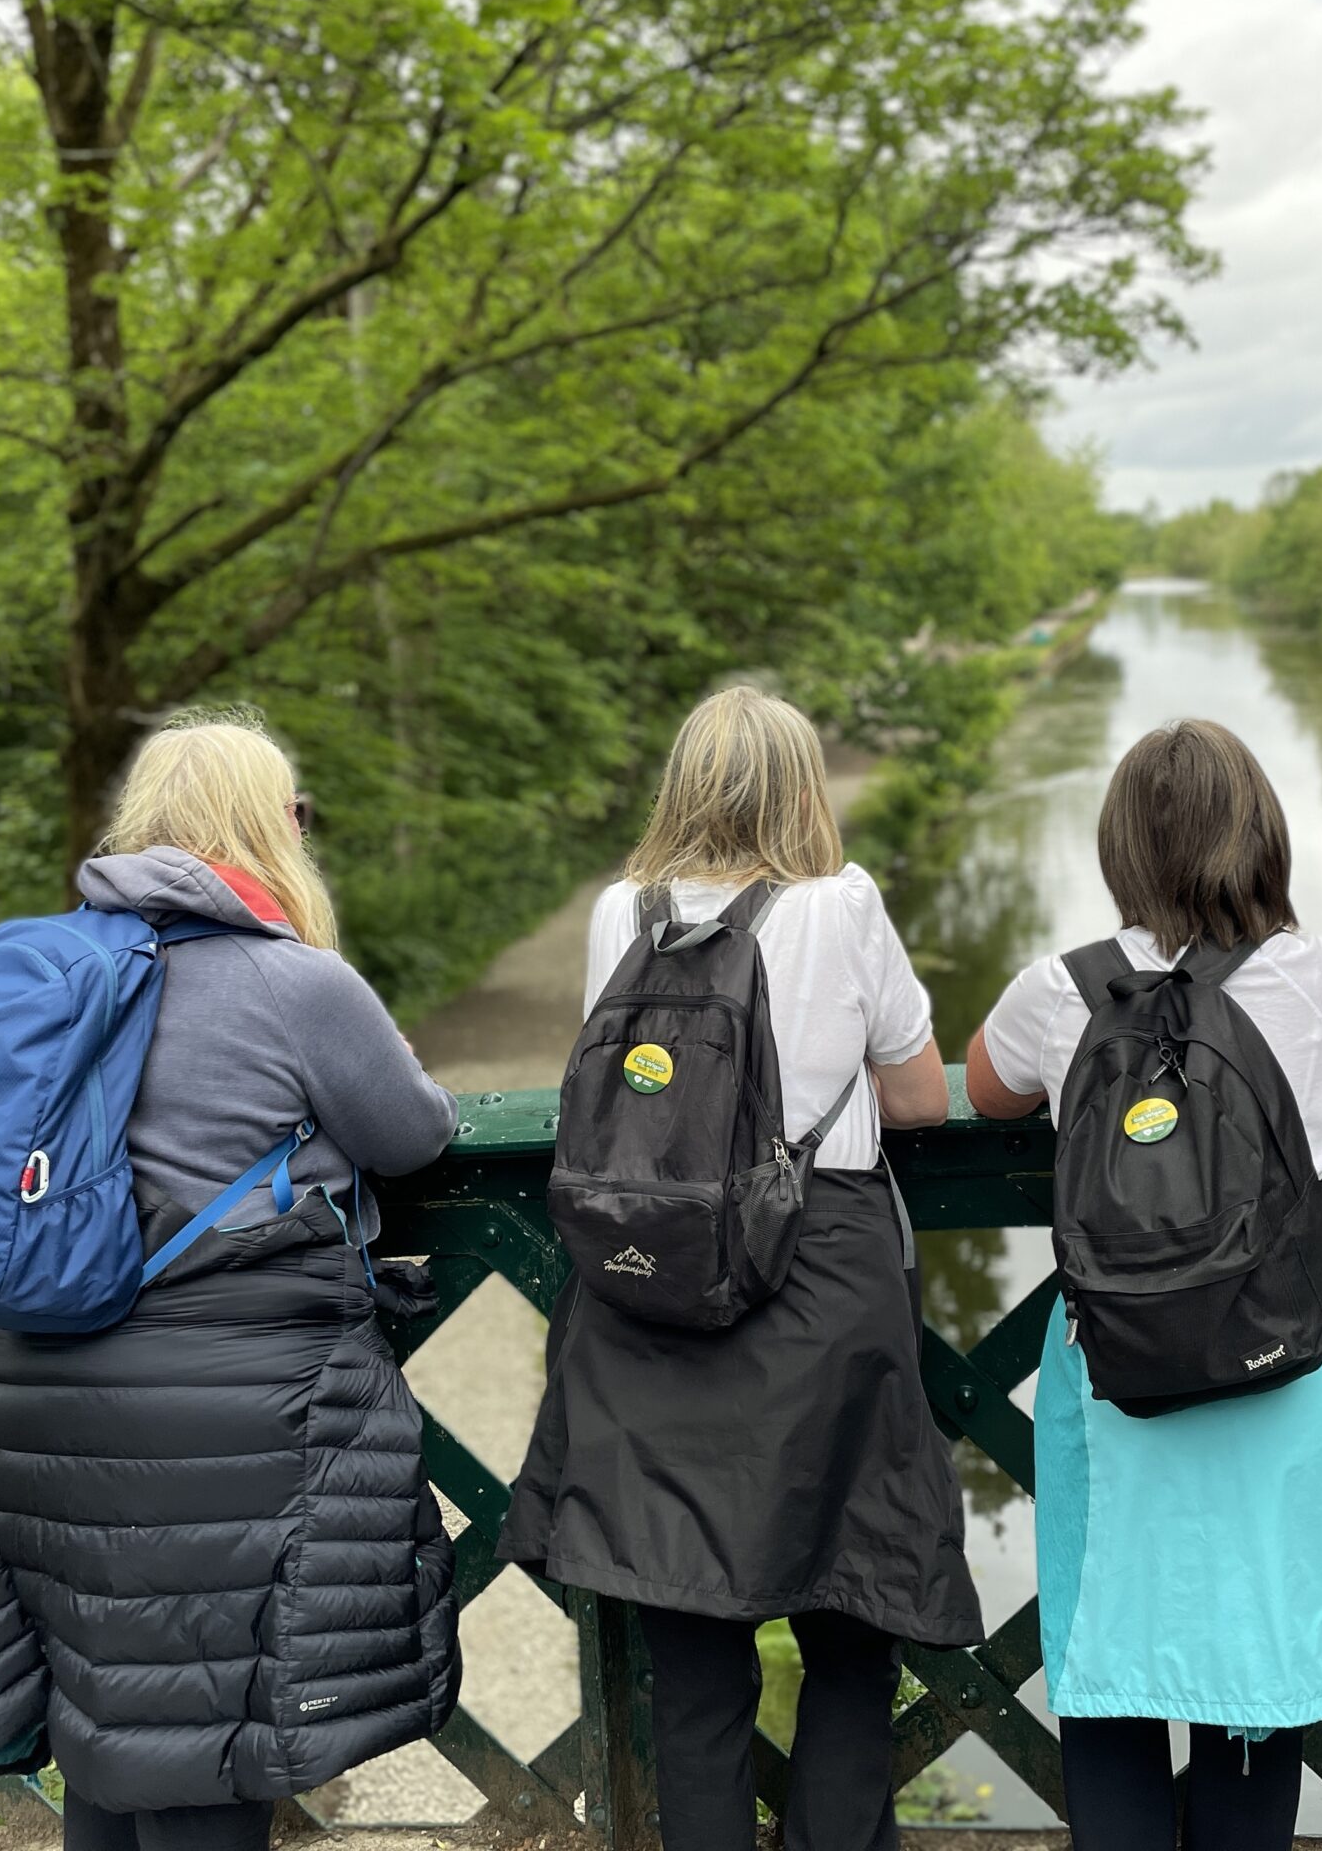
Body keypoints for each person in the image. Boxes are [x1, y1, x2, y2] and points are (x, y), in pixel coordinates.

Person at [0, 713, 464, 1851]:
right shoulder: (292, 983)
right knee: (207, 1757)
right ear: (271, 828)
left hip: (38, 1395)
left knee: (110, 1722)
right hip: (228, 1412)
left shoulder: (48, 970)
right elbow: (412, 1132)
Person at [500, 686, 982, 1851]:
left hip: (646, 1290)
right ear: (804, 788)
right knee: (849, 1621)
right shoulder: (843, 904)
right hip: (818, 1284)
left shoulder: (625, 913)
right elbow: (919, 1093)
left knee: (694, 1649)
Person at [965, 718, 1322, 1851]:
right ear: (1262, 836)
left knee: (1115, 1647)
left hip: (1119, 1348)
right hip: (1292, 1343)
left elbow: (986, 1093)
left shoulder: (1058, 989)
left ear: (1120, 849)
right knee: (1261, 1667)